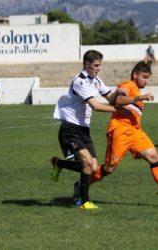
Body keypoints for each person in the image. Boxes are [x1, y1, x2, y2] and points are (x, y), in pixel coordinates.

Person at [82, 61, 158, 206]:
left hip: (136, 131)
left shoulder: (136, 89)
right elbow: (117, 101)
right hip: (121, 130)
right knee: (109, 168)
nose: (146, 80)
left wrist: (140, 96)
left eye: (148, 77)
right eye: (144, 77)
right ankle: (81, 186)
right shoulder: (128, 85)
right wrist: (140, 97)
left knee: (154, 157)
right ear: (135, 75)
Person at [50, 50, 126, 210]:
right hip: (70, 127)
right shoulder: (80, 81)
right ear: (87, 64)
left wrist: (118, 92)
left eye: (100, 65)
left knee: (92, 168)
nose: (98, 68)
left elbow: (110, 97)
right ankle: (85, 202)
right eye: (96, 65)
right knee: (86, 163)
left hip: (84, 129)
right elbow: (96, 106)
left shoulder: (96, 80)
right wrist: (118, 111)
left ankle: (59, 164)